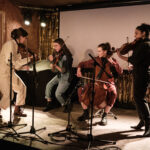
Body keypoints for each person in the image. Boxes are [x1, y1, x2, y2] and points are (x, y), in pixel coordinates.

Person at [76, 42, 122, 125]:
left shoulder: (112, 61)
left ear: (105, 51)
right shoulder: (96, 60)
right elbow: (82, 64)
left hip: (108, 83)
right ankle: (86, 113)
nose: (98, 53)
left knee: (113, 93)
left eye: (99, 51)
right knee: (80, 90)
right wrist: (79, 70)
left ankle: (104, 115)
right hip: (96, 83)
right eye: (98, 51)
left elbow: (120, 72)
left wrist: (114, 64)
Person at [117, 23, 150, 137]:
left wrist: (119, 55)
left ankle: (148, 124)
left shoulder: (145, 45)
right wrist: (135, 66)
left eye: (136, 33)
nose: (134, 35)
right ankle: (142, 121)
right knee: (137, 98)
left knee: (140, 98)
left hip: (142, 74)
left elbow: (134, 59)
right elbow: (141, 60)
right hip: (139, 72)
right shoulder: (140, 44)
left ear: (144, 33)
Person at [0, 27, 32, 117]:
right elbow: (9, 62)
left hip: (11, 72)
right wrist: (28, 59)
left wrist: (24, 64)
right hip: (3, 72)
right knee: (8, 94)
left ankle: (17, 110)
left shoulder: (16, 45)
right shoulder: (10, 44)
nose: (25, 40)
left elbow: (16, 65)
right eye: (25, 38)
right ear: (20, 37)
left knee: (22, 87)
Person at [43, 38, 73, 112]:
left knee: (58, 94)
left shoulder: (66, 56)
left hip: (66, 76)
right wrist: (51, 63)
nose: (54, 47)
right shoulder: (57, 54)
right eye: (54, 46)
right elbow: (54, 69)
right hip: (59, 75)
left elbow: (63, 71)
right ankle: (49, 104)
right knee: (48, 85)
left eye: (56, 45)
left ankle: (66, 104)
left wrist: (54, 64)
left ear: (61, 46)